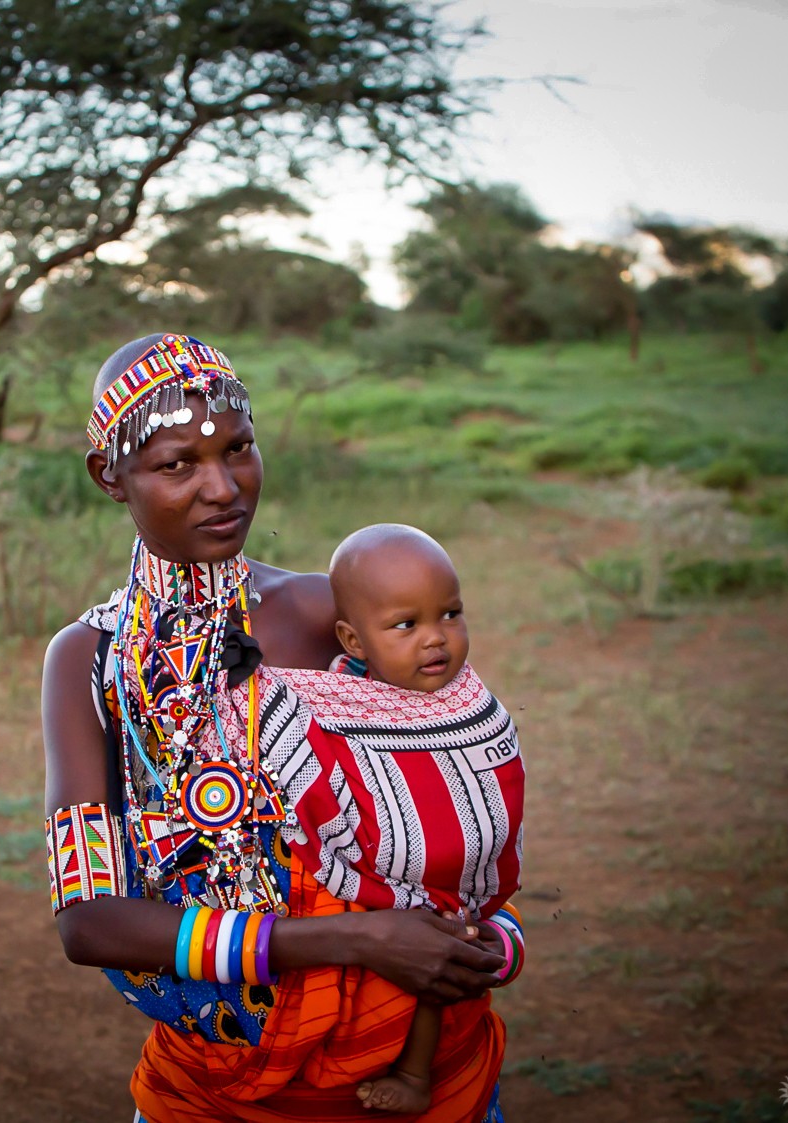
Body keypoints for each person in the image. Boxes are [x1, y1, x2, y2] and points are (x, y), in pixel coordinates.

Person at [41, 333, 512, 1123]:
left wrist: (482, 931)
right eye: (176, 464)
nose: (223, 487)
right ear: (108, 477)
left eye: (239, 449)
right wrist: (356, 941)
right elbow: (87, 921)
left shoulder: (336, 614)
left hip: (414, 1058)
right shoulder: (89, 660)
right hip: (221, 1087)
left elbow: (462, 801)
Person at [279, 523, 527, 1113]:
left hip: (446, 889)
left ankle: (415, 1076)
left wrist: (447, 862)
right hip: (363, 913)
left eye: (451, 614)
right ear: (353, 640)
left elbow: (497, 785)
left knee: (432, 964)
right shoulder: (334, 699)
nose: (436, 640)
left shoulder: (469, 702)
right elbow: (285, 740)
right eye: (406, 625)